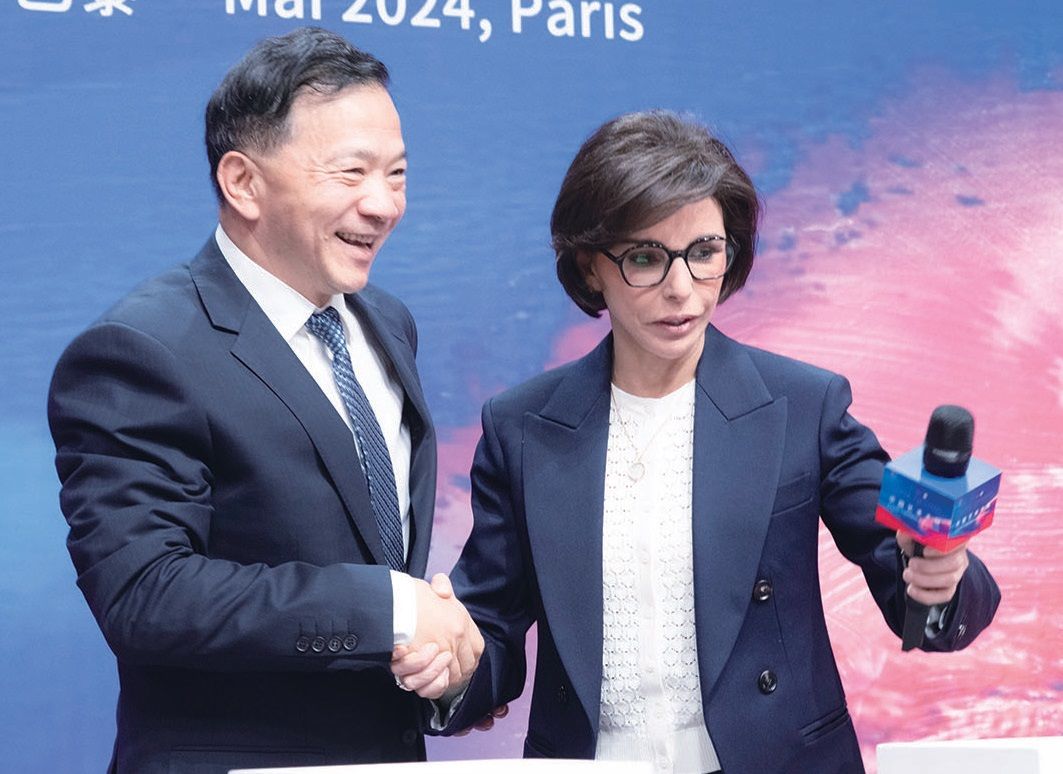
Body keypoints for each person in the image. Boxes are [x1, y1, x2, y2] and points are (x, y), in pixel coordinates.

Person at [394, 111, 1000, 772]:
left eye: (704, 253)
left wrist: (939, 578)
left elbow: (907, 573)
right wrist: (452, 666)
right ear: (590, 267)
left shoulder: (802, 405)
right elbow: (489, 629)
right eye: (645, 258)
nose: (680, 289)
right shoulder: (523, 427)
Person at [47, 27, 481, 773]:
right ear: (243, 182)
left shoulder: (387, 324)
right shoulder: (142, 349)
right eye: (351, 173)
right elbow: (145, 593)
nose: (383, 205)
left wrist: (439, 660)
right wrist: (387, 608)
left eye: (397, 174)